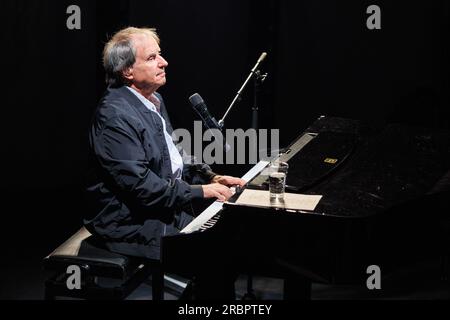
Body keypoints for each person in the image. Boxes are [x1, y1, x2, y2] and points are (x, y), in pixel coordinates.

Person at [84, 27, 245, 298]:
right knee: (217, 254)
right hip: (126, 223)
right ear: (127, 72)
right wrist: (200, 192)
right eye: (151, 58)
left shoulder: (153, 100)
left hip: (154, 210)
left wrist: (210, 177)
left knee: (232, 239)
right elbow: (143, 188)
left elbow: (175, 155)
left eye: (160, 55)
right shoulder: (114, 117)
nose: (164, 62)